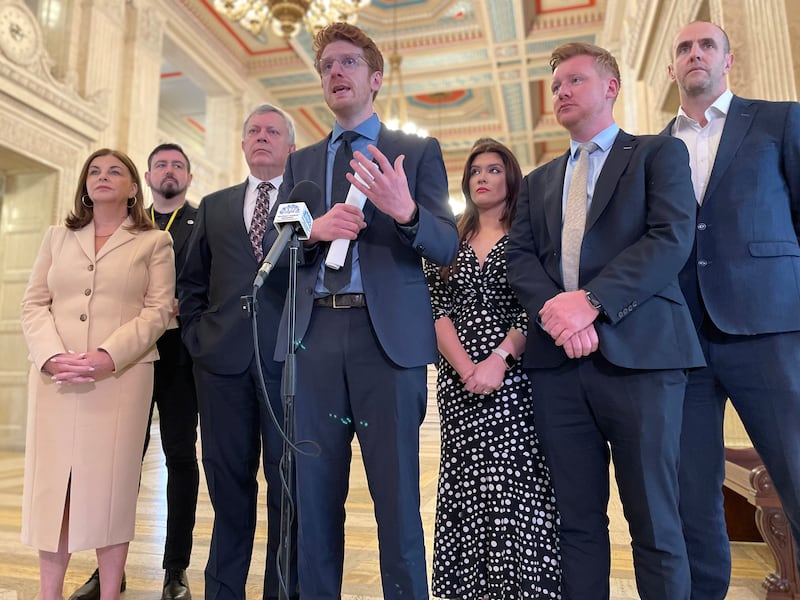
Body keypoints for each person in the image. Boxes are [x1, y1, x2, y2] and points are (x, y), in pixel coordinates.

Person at [506, 42, 705, 600]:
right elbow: (520, 258)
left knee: (656, 522)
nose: (562, 92)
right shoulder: (539, 180)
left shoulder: (657, 154)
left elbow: (671, 239)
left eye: (574, 81)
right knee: (576, 522)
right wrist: (560, 315)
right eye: (556, 86)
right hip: (556, 369)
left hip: (641, 358)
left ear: (611, 87)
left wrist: (588, 302)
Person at [270, 22, 458, 600]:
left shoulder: (415, 151)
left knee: (398, 499)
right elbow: (277, 256)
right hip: (313, 340)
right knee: (314, 500)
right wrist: (313, 232)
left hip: (388, 344)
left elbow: (447, 247)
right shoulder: (299, 163)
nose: (335, 73)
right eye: (326, 65)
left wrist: (406, 214)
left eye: (348, 62)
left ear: (375, 78)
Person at [663, 21, 800, 599]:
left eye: (706, 45)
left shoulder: (778, 119)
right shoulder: (653, 148)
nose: (695, 55)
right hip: (683, 340)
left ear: (728, 59)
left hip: (767, 326)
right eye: (684, 48)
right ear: (672, 68)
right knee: (694, 495)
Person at [20, 148, 175, 600]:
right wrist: (50, 355)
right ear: (84, 185)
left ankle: (110, 592)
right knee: (54, 491)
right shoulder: (56, 237)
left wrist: (108, 355)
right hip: (55, 379)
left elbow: (158, 310)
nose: (102, 177)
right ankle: (49, 593)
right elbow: (33, 303)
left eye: (115, 171)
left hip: (120, 381)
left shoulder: (153, 242)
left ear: (132, 188)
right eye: (94, 171)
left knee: (111, 489)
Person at [423, 138, 561, 599]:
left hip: (516, 377)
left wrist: (499, 360)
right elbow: (436, 307)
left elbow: (534, 307)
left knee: (518, 484)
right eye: (475, 171)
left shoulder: (529, 236)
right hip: (458, 381)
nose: (482, 177)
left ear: (511, 178)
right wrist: (467, 368)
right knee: (466, 484)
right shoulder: (448, 238)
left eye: (493, 169)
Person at [68, 144, 199, 600]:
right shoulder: (122, 225)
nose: (169, 170)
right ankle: (108, 571)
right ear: (147, 175)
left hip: (179, 358)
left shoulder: (202, 224)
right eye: (161, 163)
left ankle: (175, 570)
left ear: (189, 176)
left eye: (178, 165)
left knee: (181, 460)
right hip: (123, 358)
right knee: (115, 464)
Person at [178, 104, 297, 600]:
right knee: (228, 488)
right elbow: (191, 284)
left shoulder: (308, 202)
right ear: (243, 144)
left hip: (288, 363)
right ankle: (223, 590)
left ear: (292, 146)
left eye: (273, 131)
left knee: (286, 489)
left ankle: (281, 591)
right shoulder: (214, 205)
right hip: (221, 366)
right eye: (254, 131)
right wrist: (197, 339)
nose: (262, 137)